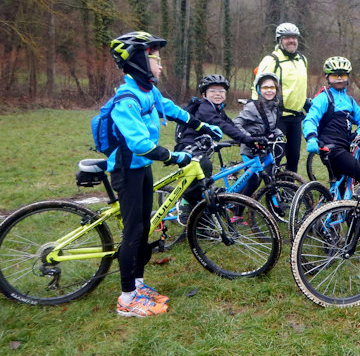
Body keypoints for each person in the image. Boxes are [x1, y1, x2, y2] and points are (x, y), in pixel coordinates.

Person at [107, 31, 222, 317]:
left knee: (145, 227)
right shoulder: (127, 99)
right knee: (133, 233)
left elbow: (171, 110)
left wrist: (202, 126)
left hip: (140, 168)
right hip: (126, 170)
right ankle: (126, 299)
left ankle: (138, 284)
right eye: (154, 59)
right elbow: (139, 144)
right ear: (137, 62)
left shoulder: (148, 92)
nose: (160, 64)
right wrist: (175, 157)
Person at [174, 74, 255, 217]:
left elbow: (231, 125)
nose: (217, 94)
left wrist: (249, 137)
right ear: (204, 94)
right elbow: (222, 125)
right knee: (204, 168)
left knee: (206, 181)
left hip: (201, 148)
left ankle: (199, 216)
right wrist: (246, 139)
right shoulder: (204, 108)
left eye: (221, 91)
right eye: (213, 91)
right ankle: (185, 203)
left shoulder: (218, 109)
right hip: (188, 147)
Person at [302, 57, 360, 190]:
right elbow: (310, 119)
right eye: (335, 75)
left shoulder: (350, 101)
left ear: (348, 77)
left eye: (343, 75)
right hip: (333, 149)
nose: (339, 78)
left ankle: (337, 209)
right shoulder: (324, 98)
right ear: (328, 77)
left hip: (345, 146)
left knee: (341, 186)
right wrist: (311, 137)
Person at [253, 22, 309, 173]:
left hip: (296, 117)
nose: (291, 41)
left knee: (294, 157)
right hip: (278, 116)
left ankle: (289, 188)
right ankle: (271, 191)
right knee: (276, 155)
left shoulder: (302, 60)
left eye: (294, 37)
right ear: (280, 40)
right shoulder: (272, 60)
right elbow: (257, 86)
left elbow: (298, 86)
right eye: (287, 38)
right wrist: (258, 110)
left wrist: (305, 102)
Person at [232, 71, 283, 197]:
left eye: (272, 87)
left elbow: (271, 128)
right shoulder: (252, 107)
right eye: (265, 87)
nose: (269, 91)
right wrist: (248, 138)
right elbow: (236, 123)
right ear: (259, 90)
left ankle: (272, 205)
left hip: (264, 149)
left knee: (269, 175)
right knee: (253, 181)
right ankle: (237, 212)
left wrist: (281, 135)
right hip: (250, 150)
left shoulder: (275, 107)